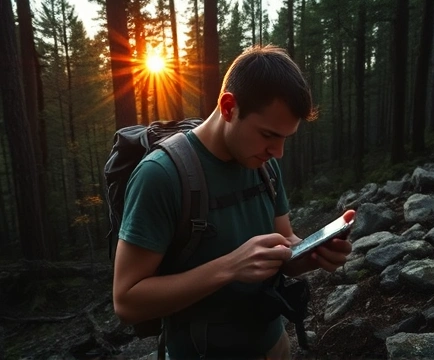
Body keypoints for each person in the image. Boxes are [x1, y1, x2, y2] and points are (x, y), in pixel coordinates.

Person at [113, 45, 353, 360]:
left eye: (285, 138)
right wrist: (230, 267)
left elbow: (284, 242)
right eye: (269, 134)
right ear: (228, 107)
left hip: (274, 344)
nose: (278, 151)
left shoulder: (264, 166)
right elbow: (127, 302)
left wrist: (312, 253)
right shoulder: (160, 176)